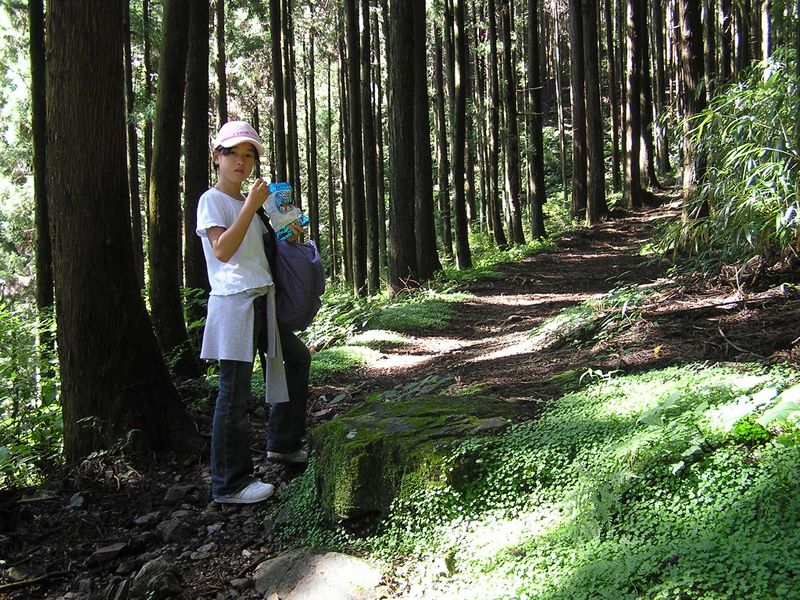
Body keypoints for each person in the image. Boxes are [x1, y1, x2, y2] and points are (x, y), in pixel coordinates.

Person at [196, 120, 311, 505]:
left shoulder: (255, 207)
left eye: (249, 155)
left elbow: (266, 252)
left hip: (263, 299)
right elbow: (223, 250)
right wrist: (250, 205)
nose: (242, 162)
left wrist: (291, 230)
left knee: (296, 359)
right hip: (233, 304)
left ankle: (282, 443)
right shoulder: (212, 200)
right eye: (233, 153)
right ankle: (229, 483)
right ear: (217, 157)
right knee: (234, 393)